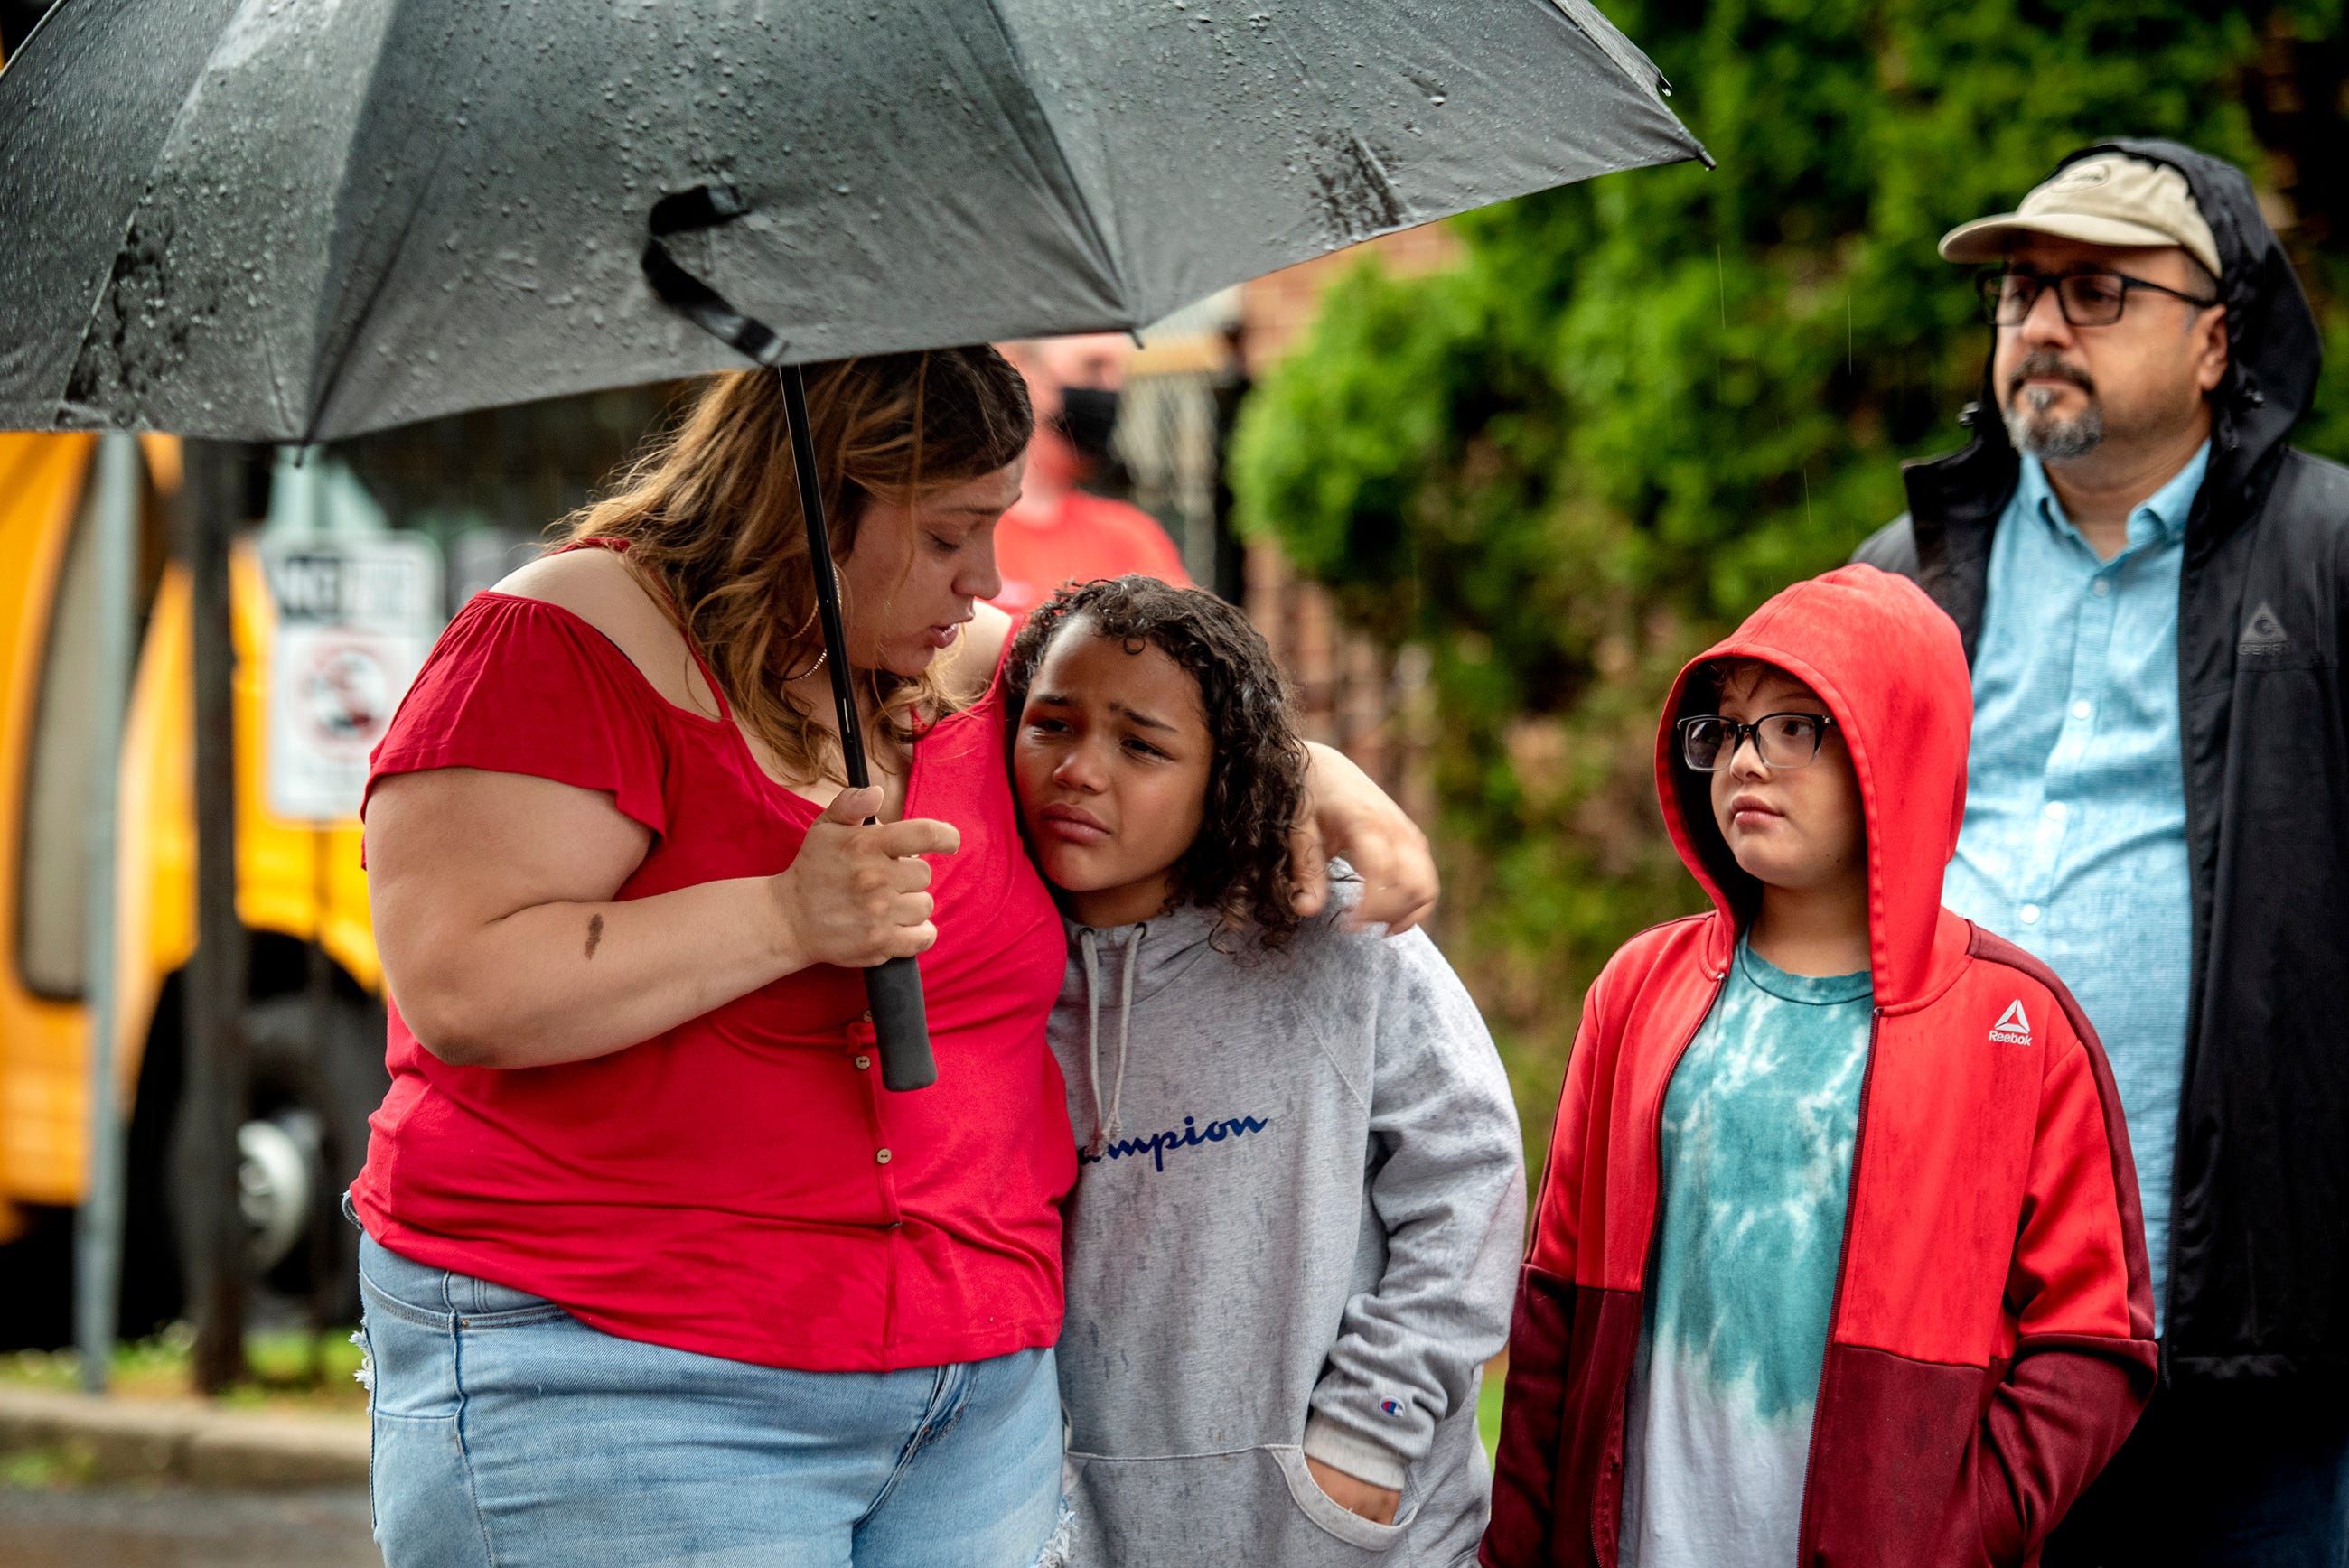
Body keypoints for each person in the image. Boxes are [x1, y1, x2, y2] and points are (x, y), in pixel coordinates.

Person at [351, 350, 1438, 1568]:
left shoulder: (955, 665)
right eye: (946, 535)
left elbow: (1153, 706)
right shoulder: (562, 643)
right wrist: (783, 917)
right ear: (813, 500)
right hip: (628, 1374)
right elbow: (466, 987)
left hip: (973, 1392)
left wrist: (1306, 770)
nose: (984, 576)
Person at [1855, 140, 2349, 1566]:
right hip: (1955, 1312)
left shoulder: (2327, 559)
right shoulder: (1907, 576)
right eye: (2018, 295)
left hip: (2248, 1314)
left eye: (2095, 292)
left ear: (2215, 337)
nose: (2042, 327)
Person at [1483, 565, 2155, 1568]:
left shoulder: (2017, 1022)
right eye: (1722, 729)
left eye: (1794, 726)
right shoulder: (1634, 992)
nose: (1744, 760)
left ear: (1901, 749)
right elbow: (1554, 1312)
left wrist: (1952, 1530)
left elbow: (2093, 1341)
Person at [1006, 576, 1523, 1567]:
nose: (1079, 768)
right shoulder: (997, 969)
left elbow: (1470, 1173)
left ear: (1226, 773)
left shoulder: (1324, 930)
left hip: (1345, 1523)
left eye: (1140, 744)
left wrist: (1375, 1420)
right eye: (1051, 724)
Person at [988, 336, 1191, 618]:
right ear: (1020, 370)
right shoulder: (965, 532)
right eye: (1092, 367)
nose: (1110, 390)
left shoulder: (1131, 538)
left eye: (1117, 373)